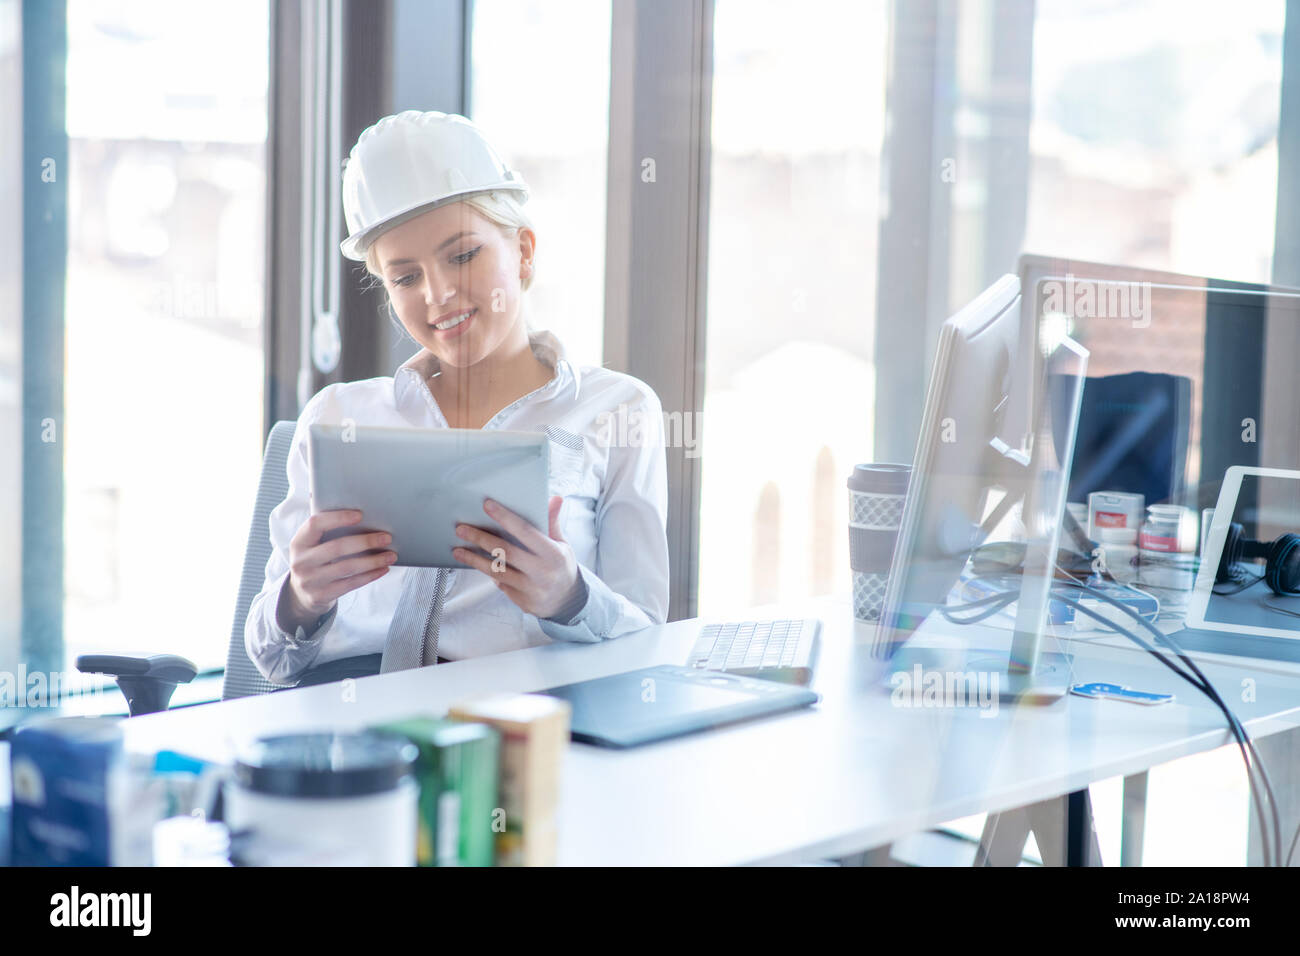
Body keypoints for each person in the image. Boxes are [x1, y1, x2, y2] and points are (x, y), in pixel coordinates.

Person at [245, 110, 670, 686]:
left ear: (523, 251)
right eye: (405, 277)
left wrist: (569, 597)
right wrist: (301, 597)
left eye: (463, 255)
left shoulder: (616, 411)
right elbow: (271, 661)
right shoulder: (339, 416)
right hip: (352, 732)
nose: (439, 294)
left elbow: (646, 644)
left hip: (511, 730)